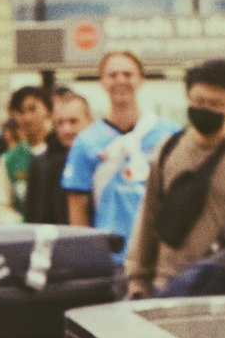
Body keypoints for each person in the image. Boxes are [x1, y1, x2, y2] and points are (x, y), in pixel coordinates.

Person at [126, 59, 225, 297]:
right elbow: (149, 215)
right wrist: (137, 280)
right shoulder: (168, 149)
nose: (205, 109)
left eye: (215, 104)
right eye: (199, 101)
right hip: (169, 285)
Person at [62, 49, 180, 249]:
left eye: (127, 74)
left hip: (158, 253)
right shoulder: (86, 141)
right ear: (102, 81)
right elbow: (77, 209)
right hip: (111, 254)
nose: (120, 80)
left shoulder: (168, 133)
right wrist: (88, 253)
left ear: (141, 80)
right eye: (112, 75)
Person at [0, 86, 58, 224]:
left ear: (48, 111)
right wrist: (24, 226)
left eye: (33, 109)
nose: (27, 118)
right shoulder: (9, 159)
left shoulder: (61, 151)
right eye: (20, 112)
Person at [25, 91, 93, 225]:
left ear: (90, 121)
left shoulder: (103, 158)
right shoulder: (42, 165)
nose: (66, 130)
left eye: (73, 121)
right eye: (60, 123)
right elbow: (36, 218)